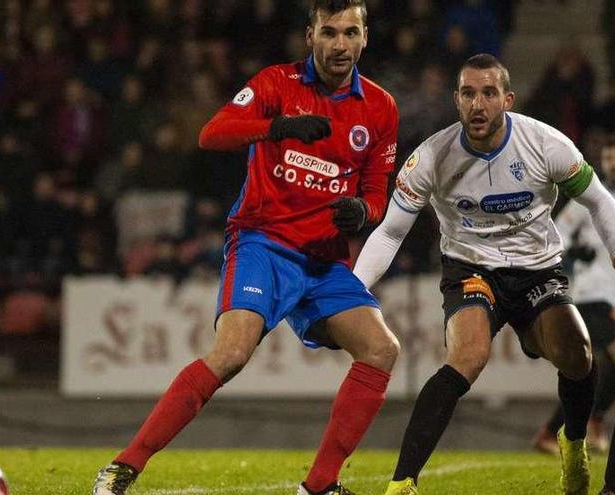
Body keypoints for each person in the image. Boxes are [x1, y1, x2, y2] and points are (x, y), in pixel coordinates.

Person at [93, 2, 401, 494]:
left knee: (381, 349)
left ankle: (319, 486)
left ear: (364, 38)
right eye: (329, 32)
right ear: (310, 36)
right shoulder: (276, 84)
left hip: (323, 260)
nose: (339, 44)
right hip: (264, 243)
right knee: (233, 352)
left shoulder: (381, 107)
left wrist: (364, 214)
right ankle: (124, 465)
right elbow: (211, 133)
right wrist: (276, 127)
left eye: (350, 32)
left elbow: (376, 191)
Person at [353, 53, 615, 495]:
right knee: (467, 357)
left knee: (579, 355)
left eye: (489, 93)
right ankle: (402, 483)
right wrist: (353, 291)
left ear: (507, 99)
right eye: (469, 94)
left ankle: (571, 441)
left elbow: (600, 202)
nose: (479, 104)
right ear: (457, 101)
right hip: (471, 270)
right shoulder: (431, 158)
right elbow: (391, 232)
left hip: (537, 271)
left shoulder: (546, 145)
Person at [533, 148, 615, 456]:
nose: (611, 163)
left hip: (612, 295)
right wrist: (574, 252)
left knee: (597, 367)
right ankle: (590, 421)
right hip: (591, 294)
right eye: (607, 157)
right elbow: (559, 234)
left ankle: (554, 431)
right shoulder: (589, 197)